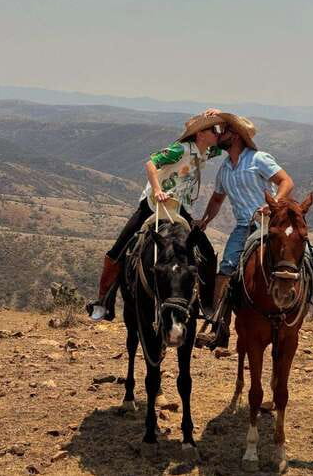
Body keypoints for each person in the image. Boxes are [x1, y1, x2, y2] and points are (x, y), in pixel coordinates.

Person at [192, 110, 313, 348]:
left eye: (224, 131)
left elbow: (286, 181)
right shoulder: (224, 169)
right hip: (245, 225)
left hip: (270, 223)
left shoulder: (259, 159)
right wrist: (205, 220)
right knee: (227, 266)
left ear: (236, 135)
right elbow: (216, 200)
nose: (220, 135)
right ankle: (218, 327)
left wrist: (272, 205)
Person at [86, 113, 226, 321]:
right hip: (154, 205)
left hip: (179, 208)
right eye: (215, 130)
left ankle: (204, 305)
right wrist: (158, 189)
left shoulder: (205, 151)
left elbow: (231, 137)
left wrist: (220, 116)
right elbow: (151, 163)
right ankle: (103, 301)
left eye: (219, 130)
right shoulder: (181, 149)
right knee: (120, 249)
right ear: (201, 133)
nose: (219, 134)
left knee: (205, 251)